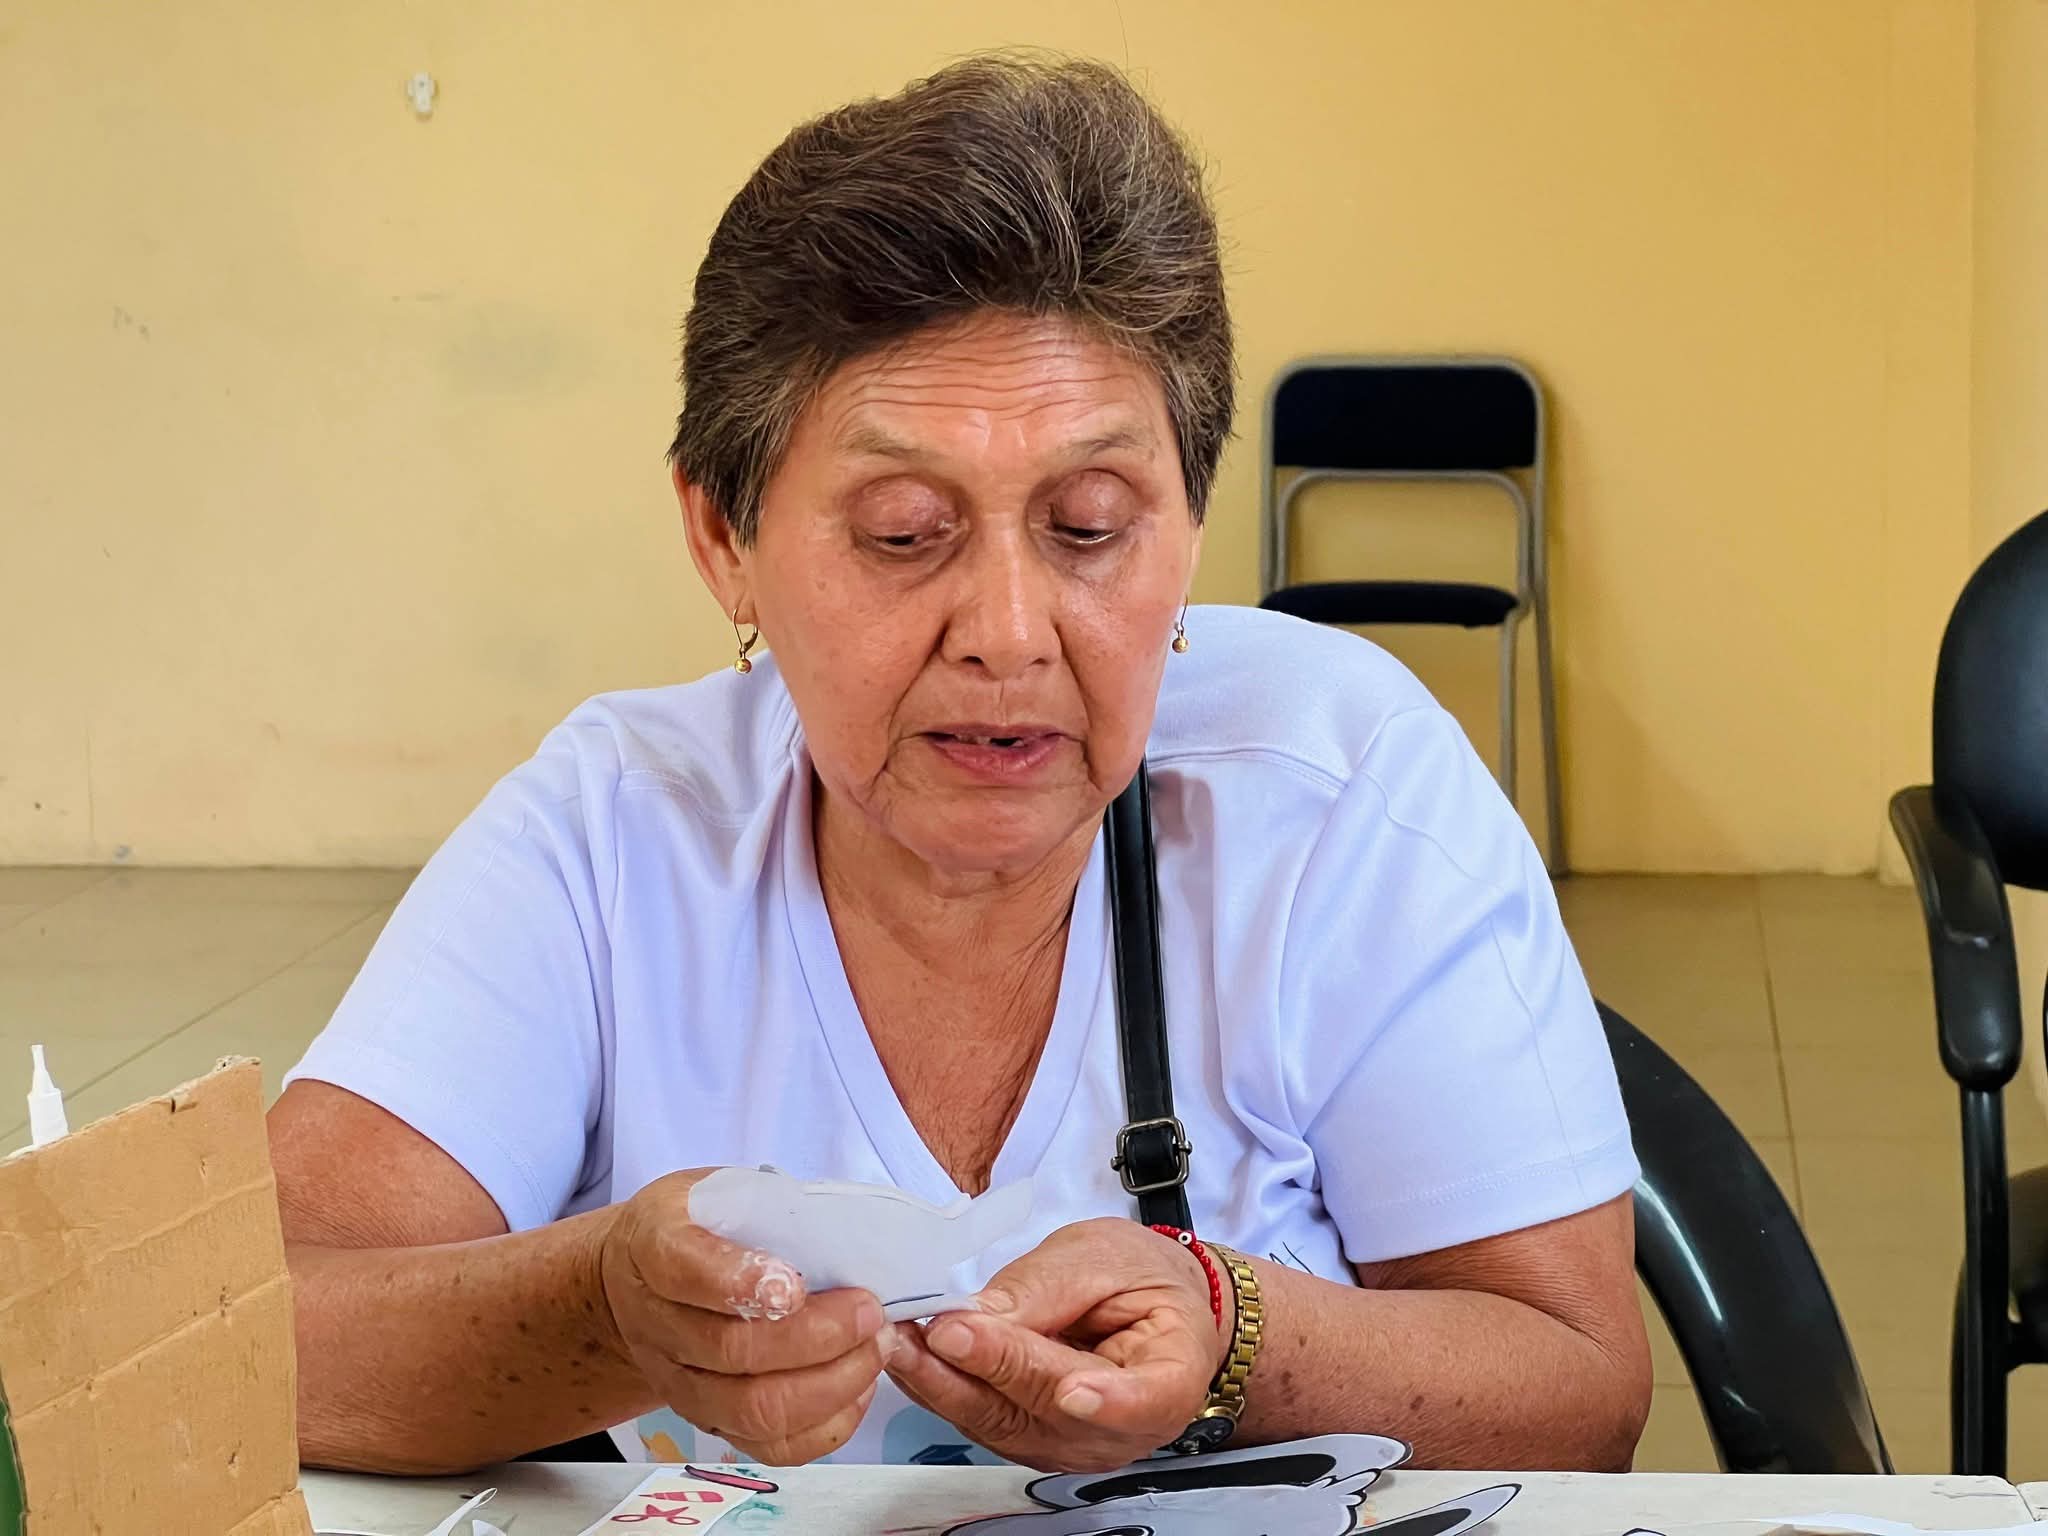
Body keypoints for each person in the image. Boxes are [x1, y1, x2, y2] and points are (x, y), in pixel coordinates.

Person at [270, 54, 1650, 1477]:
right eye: (903, 532)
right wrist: (597, 1316)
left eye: (1092, 524)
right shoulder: (617, 833)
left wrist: (1238, 1329)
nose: (1007, 632)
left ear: (1189, 526)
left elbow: (1580, 1389)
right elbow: (245, 1328)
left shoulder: (1342, 794)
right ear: (724, 539)